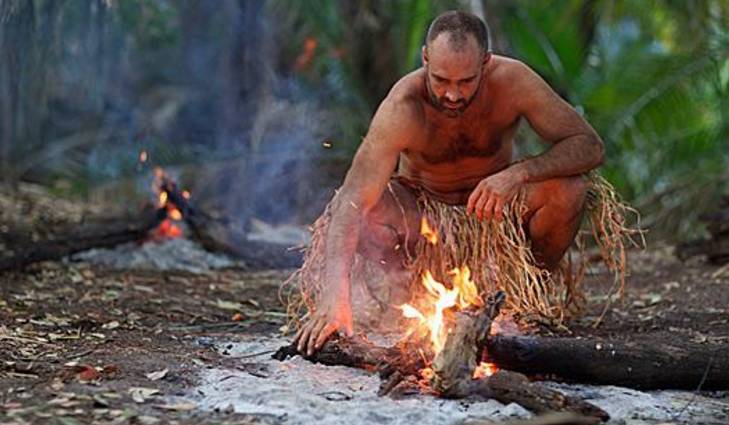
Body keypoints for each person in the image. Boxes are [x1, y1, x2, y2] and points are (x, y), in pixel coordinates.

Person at [294, 10, 604, 355]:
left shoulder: (514, 82)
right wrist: (334, 298)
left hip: (494, 217)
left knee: (569, 190)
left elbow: (589, 145)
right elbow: (352, 197)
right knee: (367, 209)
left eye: (466, 82)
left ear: (486, 63)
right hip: (424, 224)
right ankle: (405, 301)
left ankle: (524, 300)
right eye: (441, 80)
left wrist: (518, 174)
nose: (452, 95)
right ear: (425, 58)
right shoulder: (403, 106)